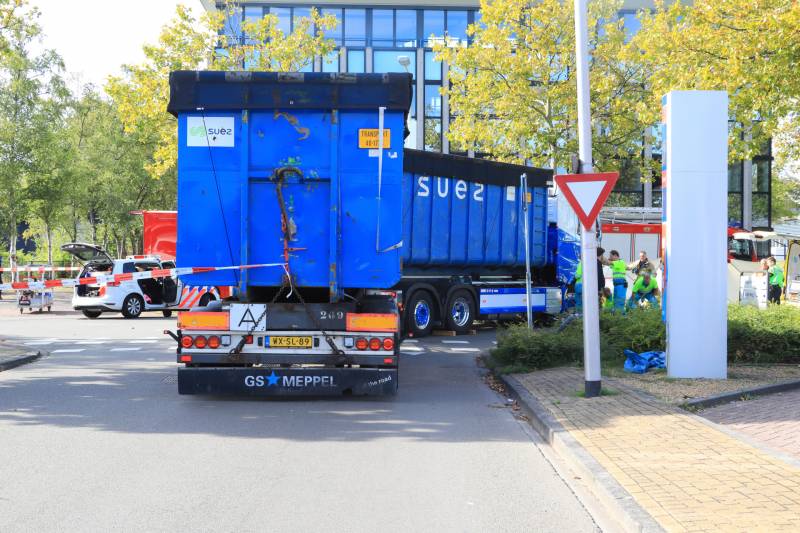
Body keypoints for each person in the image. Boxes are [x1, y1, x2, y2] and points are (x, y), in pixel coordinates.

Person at [573, 247, 606, 312]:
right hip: (584, 286)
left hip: (578, 286)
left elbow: (577, 276)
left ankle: (578, 318)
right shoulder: (589, 263)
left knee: (579, 303)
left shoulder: (581, 263)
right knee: (586, 304)